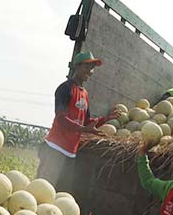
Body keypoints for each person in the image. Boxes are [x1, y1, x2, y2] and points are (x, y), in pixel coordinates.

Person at [37, 51, 119, 191]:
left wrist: (106, 119)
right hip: (54, 149)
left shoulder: (84, 94)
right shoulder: (65, 88)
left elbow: (86, 121)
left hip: (70, 153)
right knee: (42, 190)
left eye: (92, 68)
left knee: (60, 192)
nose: (90, 71)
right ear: (78, 66)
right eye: (87, 67)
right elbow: (61, 119)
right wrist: (84, 129)